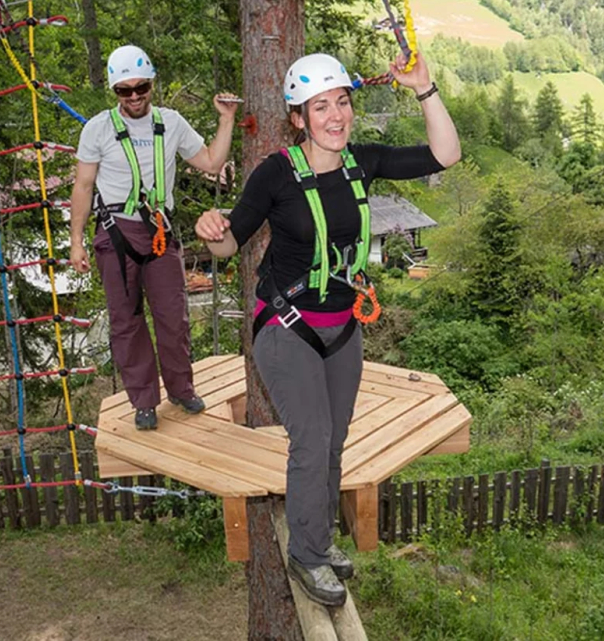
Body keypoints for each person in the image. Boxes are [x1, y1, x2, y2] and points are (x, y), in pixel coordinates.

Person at [195, 51, 460, 606]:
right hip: (285, 326)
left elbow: (445, 154)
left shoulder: (362, 162)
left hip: (342, 326)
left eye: (342, 102)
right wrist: (210, 228)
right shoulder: (274, 174)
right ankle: (308, 556)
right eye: (321, 107)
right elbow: (229, 242)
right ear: (298, 117)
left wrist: (425, 89)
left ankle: (318, 538)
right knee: (312, 441)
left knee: (333, 441)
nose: (336, 116)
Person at [70, 45, 239, 430]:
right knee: (126, 321)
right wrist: (76, 241)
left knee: (173, 316)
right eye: (124, 90)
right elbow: (82, 185)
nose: (133, 96)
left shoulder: (172, 123)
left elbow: (212, 163)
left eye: (140, 87)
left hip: (160, 230)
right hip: (117, 232)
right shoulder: (98, 129)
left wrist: (226, 120)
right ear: (115, 91)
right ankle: (144, 400)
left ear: (151, 84)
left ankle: (180, 388)